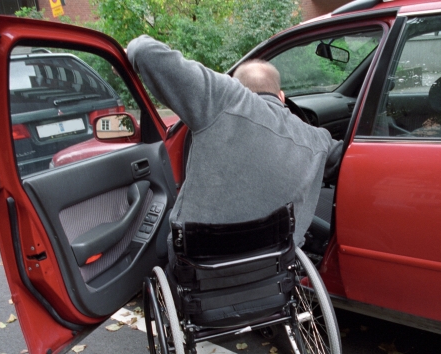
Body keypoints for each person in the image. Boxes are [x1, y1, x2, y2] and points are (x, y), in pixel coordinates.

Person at [126, 35, 342, 248]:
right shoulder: (318, 141)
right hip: (274, 273)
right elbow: (348, 156)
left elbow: (144, 51)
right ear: (282, 96)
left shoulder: (222, 98)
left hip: (197, 270)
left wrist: (128, 50)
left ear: (237, 86)